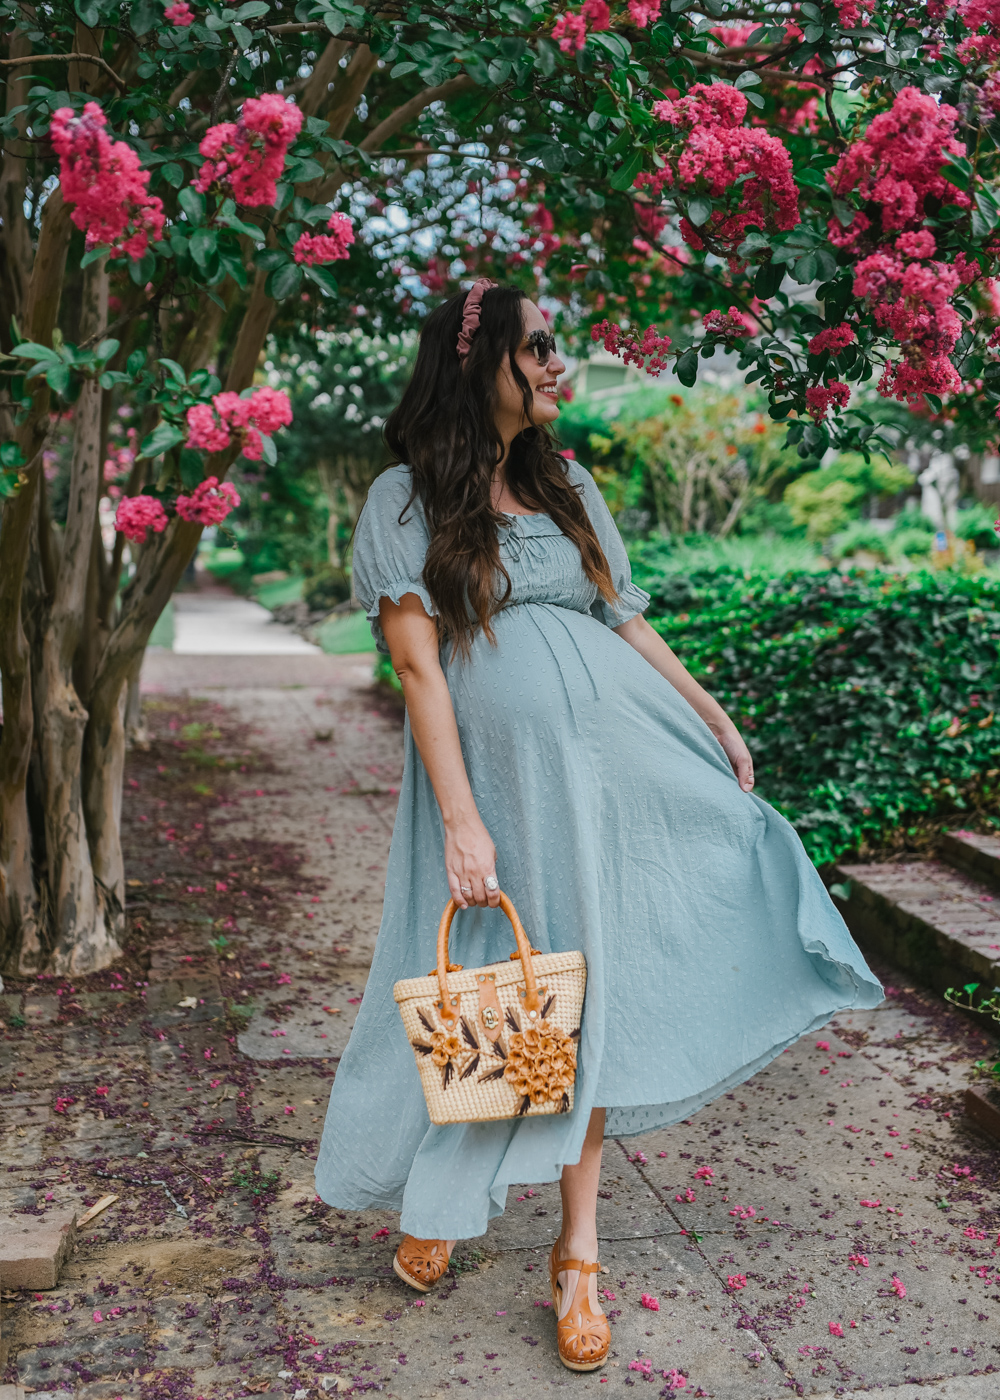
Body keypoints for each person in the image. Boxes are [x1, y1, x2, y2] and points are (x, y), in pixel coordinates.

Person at [315, 280, 883, 1372]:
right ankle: (442, 1194)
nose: (555, 366)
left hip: (609, 778)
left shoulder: (564, 481)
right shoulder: (404, 497)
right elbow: (418, 668)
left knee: (584, 999)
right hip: (495, 785)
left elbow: (622, 617)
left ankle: (576, 1256)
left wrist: (708, 712)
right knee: (491, 982)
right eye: (538, 348)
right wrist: (461, 818)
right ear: (476, 358)